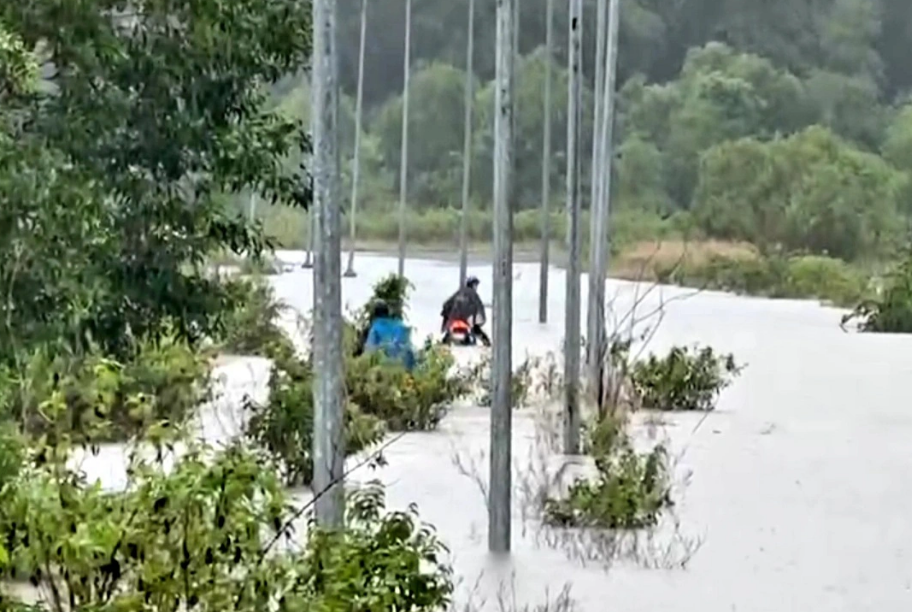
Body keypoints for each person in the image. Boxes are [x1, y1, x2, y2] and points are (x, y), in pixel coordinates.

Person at [363, 299, 416, 370]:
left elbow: (369, 351)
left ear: (374, 314)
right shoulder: (399, 324)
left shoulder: (375, 328)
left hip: (384, 369)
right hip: (407, 366)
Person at [440, 275, 491, 346]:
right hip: (467, 322)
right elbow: (480, 309)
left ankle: (442, 345)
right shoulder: (474, 295)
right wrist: (480, 321)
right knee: (478, 332)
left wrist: (446, 315)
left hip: (454, 321)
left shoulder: (459, 292)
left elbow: (446, 305)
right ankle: (487, 345)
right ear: (473, 285)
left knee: (446, 337)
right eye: (475, 285)